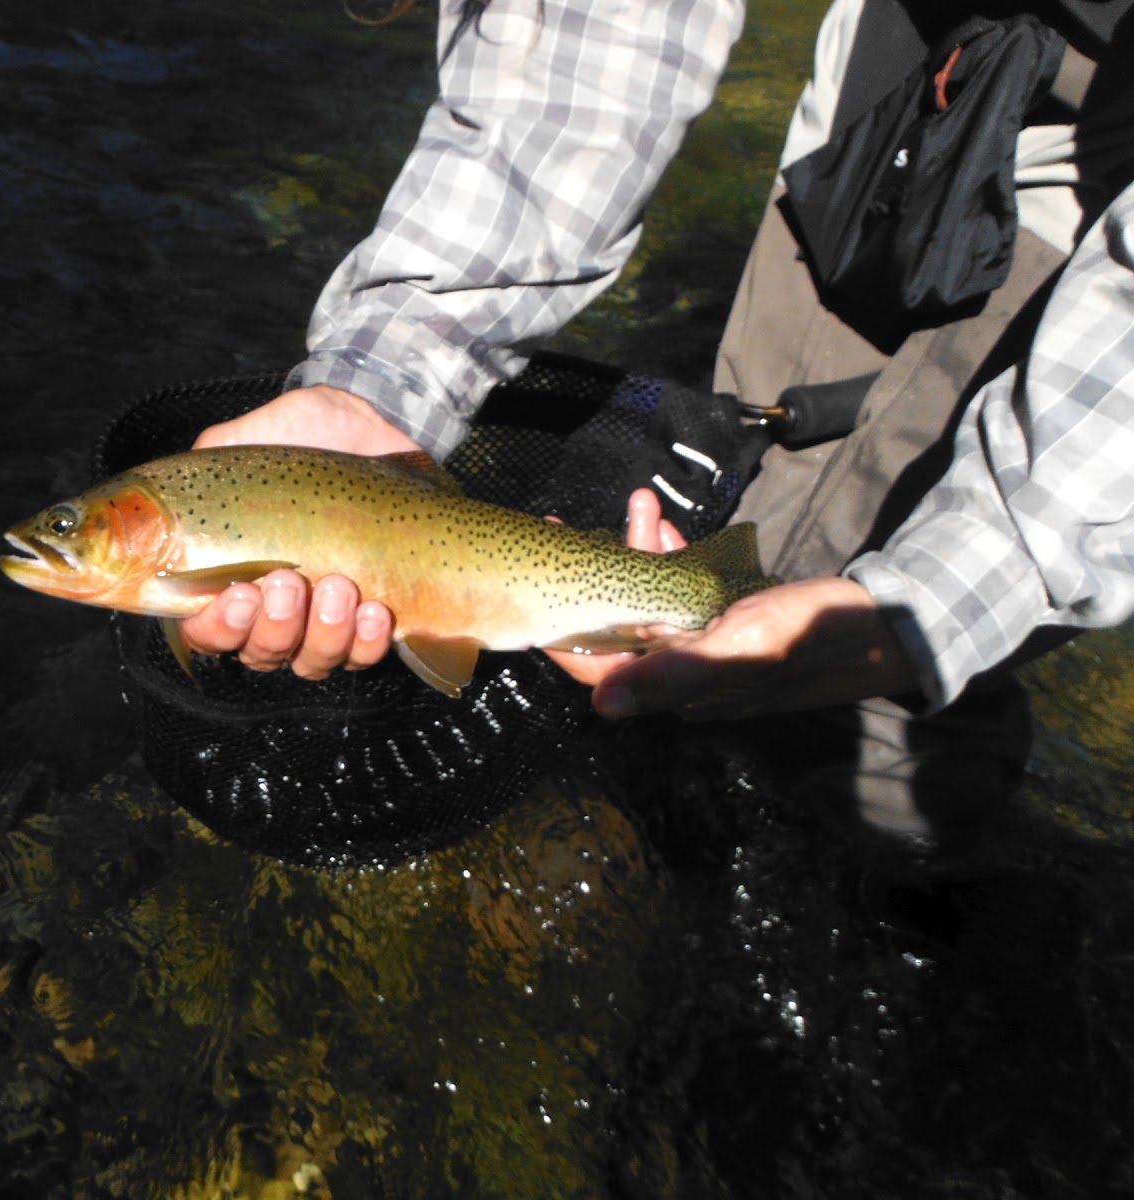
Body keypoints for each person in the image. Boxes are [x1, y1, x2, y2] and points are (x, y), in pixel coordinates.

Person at [179, 0, 1134, 841]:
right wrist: (381, 375)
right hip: (905, 69)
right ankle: (686, 772)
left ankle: (900, 897)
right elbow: (586, 55)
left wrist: (932, 603)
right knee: (752, 537)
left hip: (1097, 156)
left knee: (891, 686)